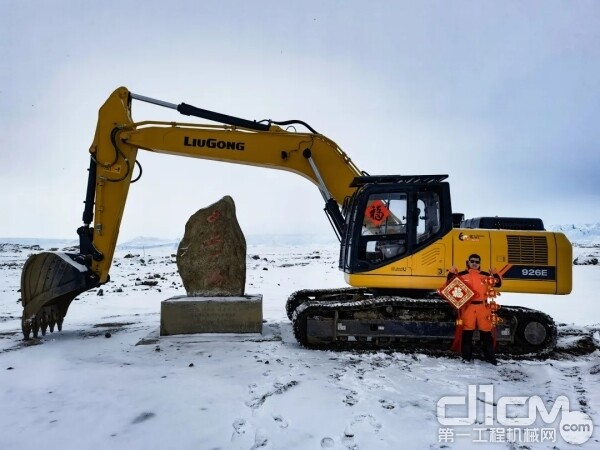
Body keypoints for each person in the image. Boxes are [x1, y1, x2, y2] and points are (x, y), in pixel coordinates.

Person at [447, 254, 502, 365]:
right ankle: (466, 358)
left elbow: (498, 283)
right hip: (468, 307)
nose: (475, 263)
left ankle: (491, 358)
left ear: (480, 263)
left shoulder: (485, 275)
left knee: (486, 333)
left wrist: (495, 273)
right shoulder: (462, 275)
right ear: (468, 262)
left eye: (477, 261)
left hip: (483, 307)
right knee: (467, 333)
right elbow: (450, 284)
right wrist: (451, 273)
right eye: (472, 261)